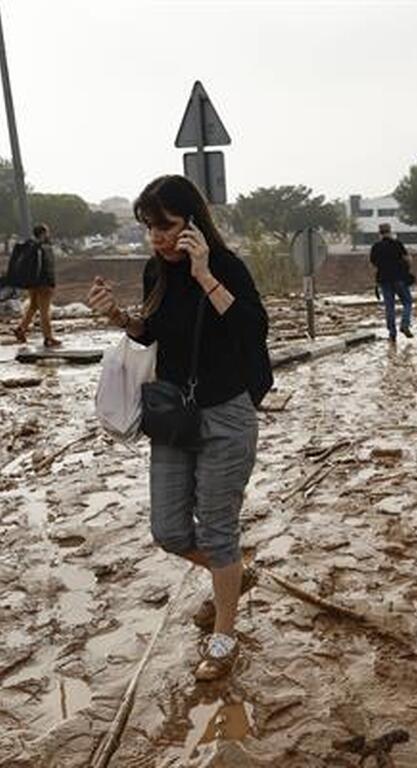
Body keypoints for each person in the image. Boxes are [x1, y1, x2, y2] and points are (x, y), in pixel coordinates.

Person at [86, 174, 272, 682]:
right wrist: (121, 318)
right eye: (149, 228)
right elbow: (155, 334)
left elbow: (251, 329)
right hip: (173, 414)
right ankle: (231, 574)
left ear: (192, 222)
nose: (157, 239)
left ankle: (224, 636)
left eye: (165, 227)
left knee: (217, 529)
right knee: (168, 530)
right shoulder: (155, 271)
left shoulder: (225, 265)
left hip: (226, 413)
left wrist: (205, 272)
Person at [12, 224, 60, 347]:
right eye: (47, 232)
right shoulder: (44, 248)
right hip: (43, 284)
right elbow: (47, 268)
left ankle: (21, 329)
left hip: (32, 284)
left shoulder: (30, 247)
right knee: (45, 312)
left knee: (33, 307)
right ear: (43, 233)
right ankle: (48, 338)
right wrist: (50, 283)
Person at [369, 223, 414, 341]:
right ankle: (404, 325)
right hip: (399, 278)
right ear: (390, 231)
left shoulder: (376, 247)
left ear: (379, 233)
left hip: (384, 280)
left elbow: (373, 262)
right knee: (407, 302)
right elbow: (407, 259)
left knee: (389, 306)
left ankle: (392, 333)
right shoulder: (397, 244)